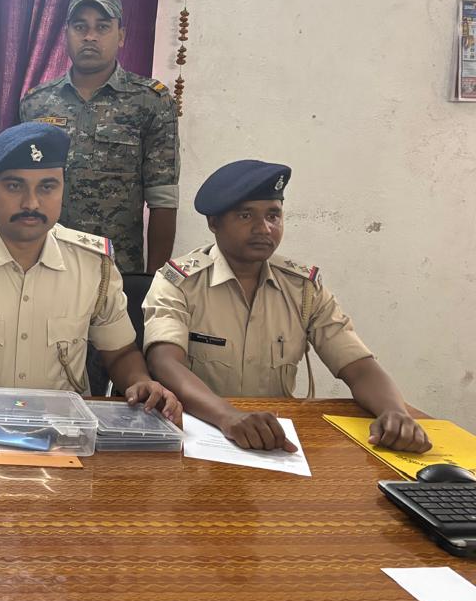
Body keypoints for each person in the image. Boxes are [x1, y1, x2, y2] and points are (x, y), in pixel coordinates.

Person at [0, 122, 182, 432]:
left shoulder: (94, 267)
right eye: (14, 186)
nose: (31, 203)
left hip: (63, 433)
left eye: (47, 187)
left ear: (63, 189)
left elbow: (120, 353)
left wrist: (140, 381)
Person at [144, 160, 431, 453]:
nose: (264, 228)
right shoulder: (179, 282)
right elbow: (164, 362)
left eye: (273, 215)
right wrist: (228, 416)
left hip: (273, 440)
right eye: (246, 215)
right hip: (197, 436)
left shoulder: (303, 289)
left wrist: (394, 412)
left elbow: (358, 366)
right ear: (214, 223)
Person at [19, 0, 179, 278]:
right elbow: (21, 187)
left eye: (102, 27)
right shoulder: (36, 103)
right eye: (80, 27)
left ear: (121, 36)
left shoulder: (151, 101)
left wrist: (155, 283)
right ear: (66, 34)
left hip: (116, 270)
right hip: (44, 267)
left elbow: (163, 200)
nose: (90, 37)